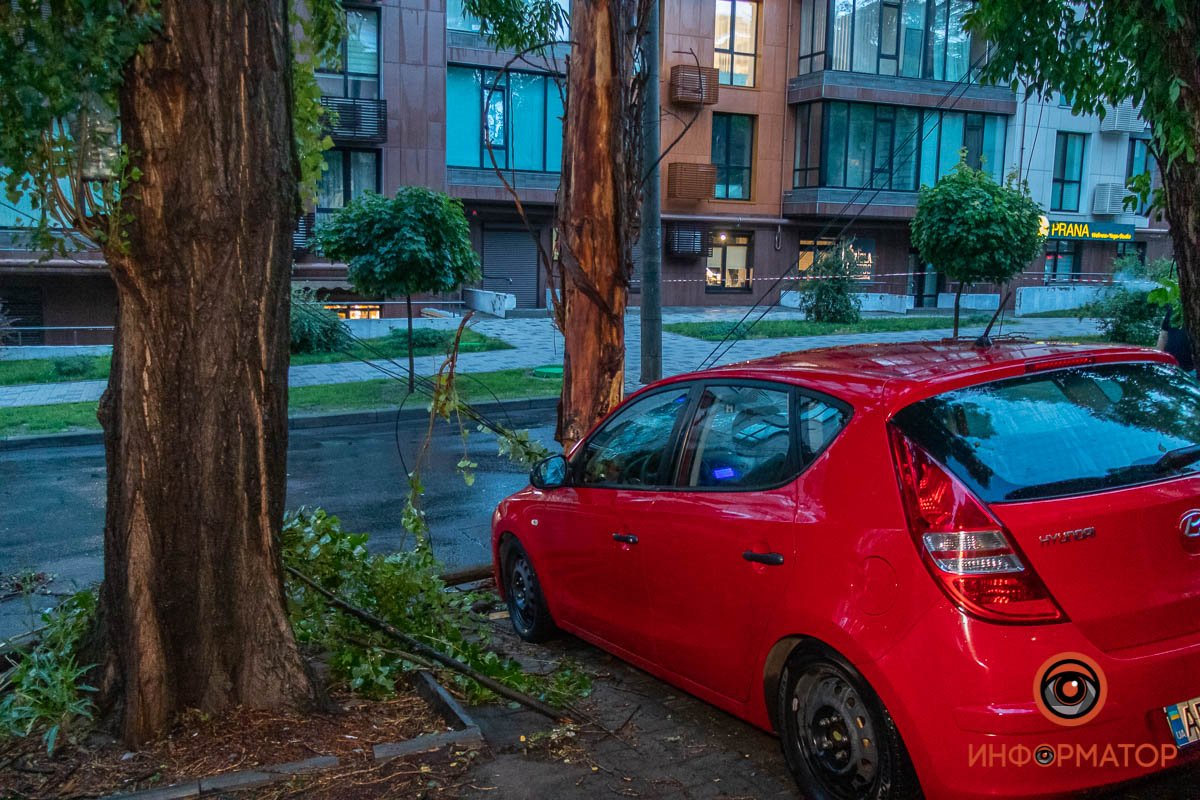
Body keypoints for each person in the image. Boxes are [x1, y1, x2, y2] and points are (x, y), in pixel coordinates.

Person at [1157, 306, 1194, 373]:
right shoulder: (1174, 308)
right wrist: (1158, 359)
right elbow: (1163, 335)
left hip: (1192, 368)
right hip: (1169, 365)